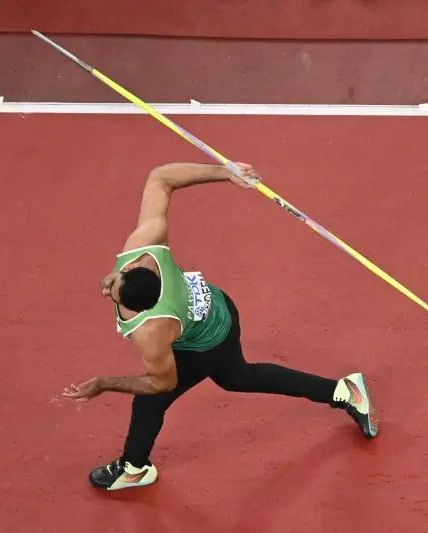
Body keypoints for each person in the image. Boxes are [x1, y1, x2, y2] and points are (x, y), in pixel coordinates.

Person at [62, 162, 378, 491]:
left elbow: (162, 382)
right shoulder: (142, 248)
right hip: (218, 305)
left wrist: (104, 383)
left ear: (140, 308)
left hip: (208, 340)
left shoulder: (151, 330)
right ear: (133, 269)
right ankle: (344, 392)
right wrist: (224, 172)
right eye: (113, 280)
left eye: (112, 293)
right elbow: (161, 178)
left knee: (150, 401)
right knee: (237, 377)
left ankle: (135, 467)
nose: (105, 288)